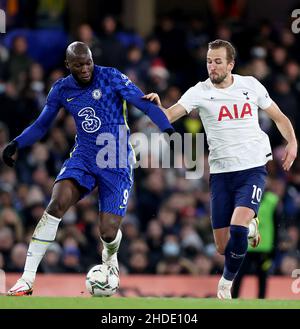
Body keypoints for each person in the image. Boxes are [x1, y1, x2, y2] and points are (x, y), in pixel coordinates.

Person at [2, 41, 174, 296]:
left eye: (88, 63)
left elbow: (146, 104)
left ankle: (110, 258)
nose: (85, 69)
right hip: (83, 156)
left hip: (115, 159)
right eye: (79, 65)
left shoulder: (111, 77)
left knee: (107, 231)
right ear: (68, 65)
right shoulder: (61, 89)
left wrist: (168, 129)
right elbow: (41, 125)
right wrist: (17, 143)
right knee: (56, 204)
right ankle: (26, 279)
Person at [143, 39, 297, 299]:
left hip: (252, 169)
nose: (211, 67)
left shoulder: (250, 85)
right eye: (208, 61)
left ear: (230, 64)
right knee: (222, 246)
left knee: (237, 227)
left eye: (217, 62)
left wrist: (292, 141)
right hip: (221, 174)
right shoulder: (199, 91)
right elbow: (167, 117)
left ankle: (225, 284)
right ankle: (250, 225)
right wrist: (155, 106)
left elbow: (279, 117)